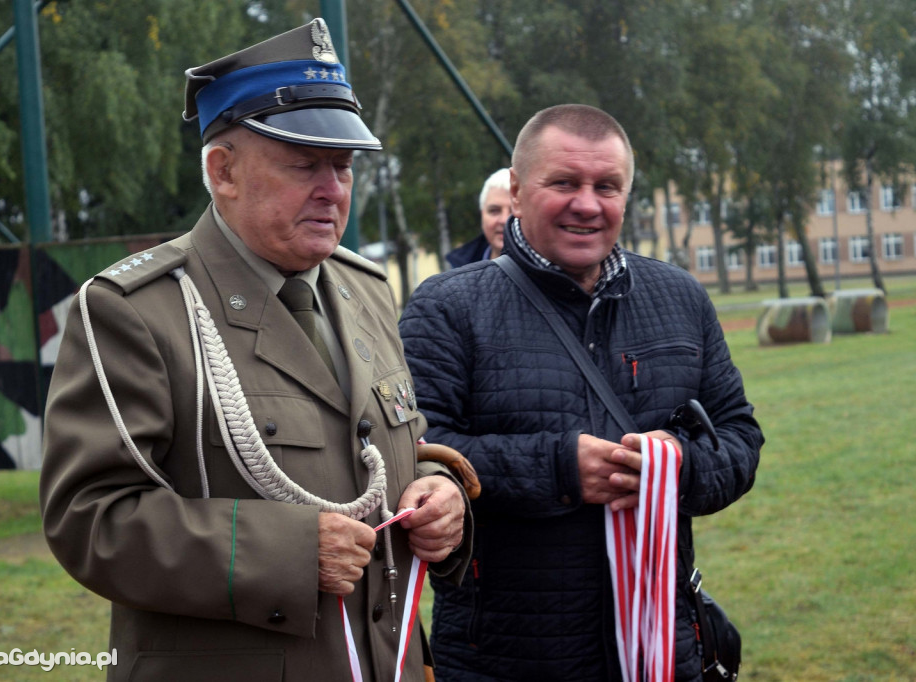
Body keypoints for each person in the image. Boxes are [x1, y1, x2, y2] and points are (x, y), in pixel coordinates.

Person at [40, 19, 470, 682]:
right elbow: (91, 519)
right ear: (224, 171)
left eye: (344, 166)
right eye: (305, 165)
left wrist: (439, 494)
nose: (334, 189)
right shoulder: (137, 309)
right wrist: (289, 555)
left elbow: (381, 453)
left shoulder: (365, 289)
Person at [398, 104, 763, 681]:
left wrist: (674, 468)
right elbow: (417, 454)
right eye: (564, 182)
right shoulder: (446, 307)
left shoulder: (681, 297)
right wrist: (559, 468)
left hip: (662, 651)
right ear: (517, 192)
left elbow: (739, 438)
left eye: (607, 186)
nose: (588, 203)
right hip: (505, 657)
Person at [445, 167, 511, 268]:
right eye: (494, 211)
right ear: (482, 215)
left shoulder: (542, 274)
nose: (504, 220)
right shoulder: (459, 271)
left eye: (513, 211)